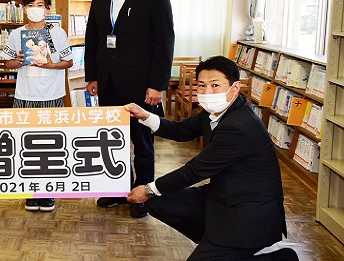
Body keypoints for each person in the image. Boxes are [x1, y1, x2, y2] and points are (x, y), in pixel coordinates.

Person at [124, 56, 297, 261]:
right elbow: (180, 130)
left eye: (215, 85)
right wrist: (145, 116)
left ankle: (281, 258)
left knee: (152, 194)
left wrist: (147, 189)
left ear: (235, 87)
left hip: (250, 215)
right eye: (202, 85)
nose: (207, 92)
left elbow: (194, 171)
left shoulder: (239, 126)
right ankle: (213, 241)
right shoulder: (219, 110)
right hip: (221, 198)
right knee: (156, 202)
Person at [84, 0, 175, 217]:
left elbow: (164, 42)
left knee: (142, 142)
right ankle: (116, 191)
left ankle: (143, 195)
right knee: (113, 139)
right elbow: (93, 39)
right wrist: (92, 76)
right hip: (108, 82)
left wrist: (157, 84)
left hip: (141, 85)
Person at [1, 0, 73, 212]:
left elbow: (69, 61)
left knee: (51, 144)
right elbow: (7, 63)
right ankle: (31, 192)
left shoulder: (57, 33)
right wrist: (19, 61)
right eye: (30, 5)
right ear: (24, 9)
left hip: (52, 95)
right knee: (26, 144)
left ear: (48, 9)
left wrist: (51, 64)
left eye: (40, 5)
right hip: (25, 95)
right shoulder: (16, 33)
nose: (35, 9)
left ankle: (48, 192)